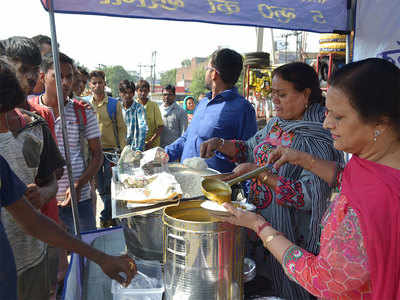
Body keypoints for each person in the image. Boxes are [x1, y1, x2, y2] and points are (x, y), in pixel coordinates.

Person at [214, 58, 400, 300]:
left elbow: (326, 281)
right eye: (328, 112)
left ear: (380, 123)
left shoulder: (378, 197)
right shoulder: (368, 161)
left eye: (338, 117)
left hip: (298, 245)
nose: (327, 123)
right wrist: (302, 159)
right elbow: (346, 178)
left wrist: (259, 225)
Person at [201, 62, 344, 299]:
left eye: (282, 94)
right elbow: (249, 149)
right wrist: (220, 143)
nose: (274, 100)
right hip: (258, 225)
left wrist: (263, 175)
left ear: (306, 94)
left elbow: (309, 196)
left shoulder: (319, 137)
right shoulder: (275, 125)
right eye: (273, 94)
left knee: (285, 290)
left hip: (290, 234)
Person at [0, 59, 137, 300]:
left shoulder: (48, 122)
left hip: (27, 260)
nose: (8, 127)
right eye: (3, 115)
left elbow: (32, 221)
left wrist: (101, 258)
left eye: (70, 76)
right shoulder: (34, 113)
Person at [38, 53, 104, 232]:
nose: (65, 82)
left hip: (79, 201)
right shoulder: (29, 112)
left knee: (85, 253)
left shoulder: (82, 112)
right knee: (53, 256)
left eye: (69, 77)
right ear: (43, 77)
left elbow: (97, 155)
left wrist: (79, 184)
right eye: (58, 76)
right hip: (43, 203)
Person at [166, 48, 257, 173]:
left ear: (214, 74)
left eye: (207, 69)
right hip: (184, 181)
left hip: (214, 188)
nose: (205, 73)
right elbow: (187, 137)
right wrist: (164, 154)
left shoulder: (243, 109)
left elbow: (250, 154)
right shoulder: (203, 102)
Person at [88, 70, 126, 228]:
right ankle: (108, 215)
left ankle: (107, 216)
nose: (97, 86)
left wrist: (123, 151)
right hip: (93, 153)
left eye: (100, 82)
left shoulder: (113, 104)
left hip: (112, 152)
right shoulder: (86, 104)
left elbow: (122, 128)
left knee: (112, 186)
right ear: (90, 85)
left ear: (105, 83)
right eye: (94, 83)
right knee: (100, 187)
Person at [119, 79, 147, 151]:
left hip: (134, 149)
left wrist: (139, 149)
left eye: (130, 92)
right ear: (120, 93)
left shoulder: (139, 108)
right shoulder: (117, 108)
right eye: (125, 92)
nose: (128, 95)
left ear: (134, 93)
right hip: (118, 149)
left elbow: (143, 129)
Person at [135, 79, 164, 150]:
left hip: (152, 146)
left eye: (145, 91)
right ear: (136, 91)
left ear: (148, 91)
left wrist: (151, 141)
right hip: (136, 146)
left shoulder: (154, 106)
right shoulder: (133, 106)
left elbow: (160, 126)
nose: (143, 93)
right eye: (140, 91)